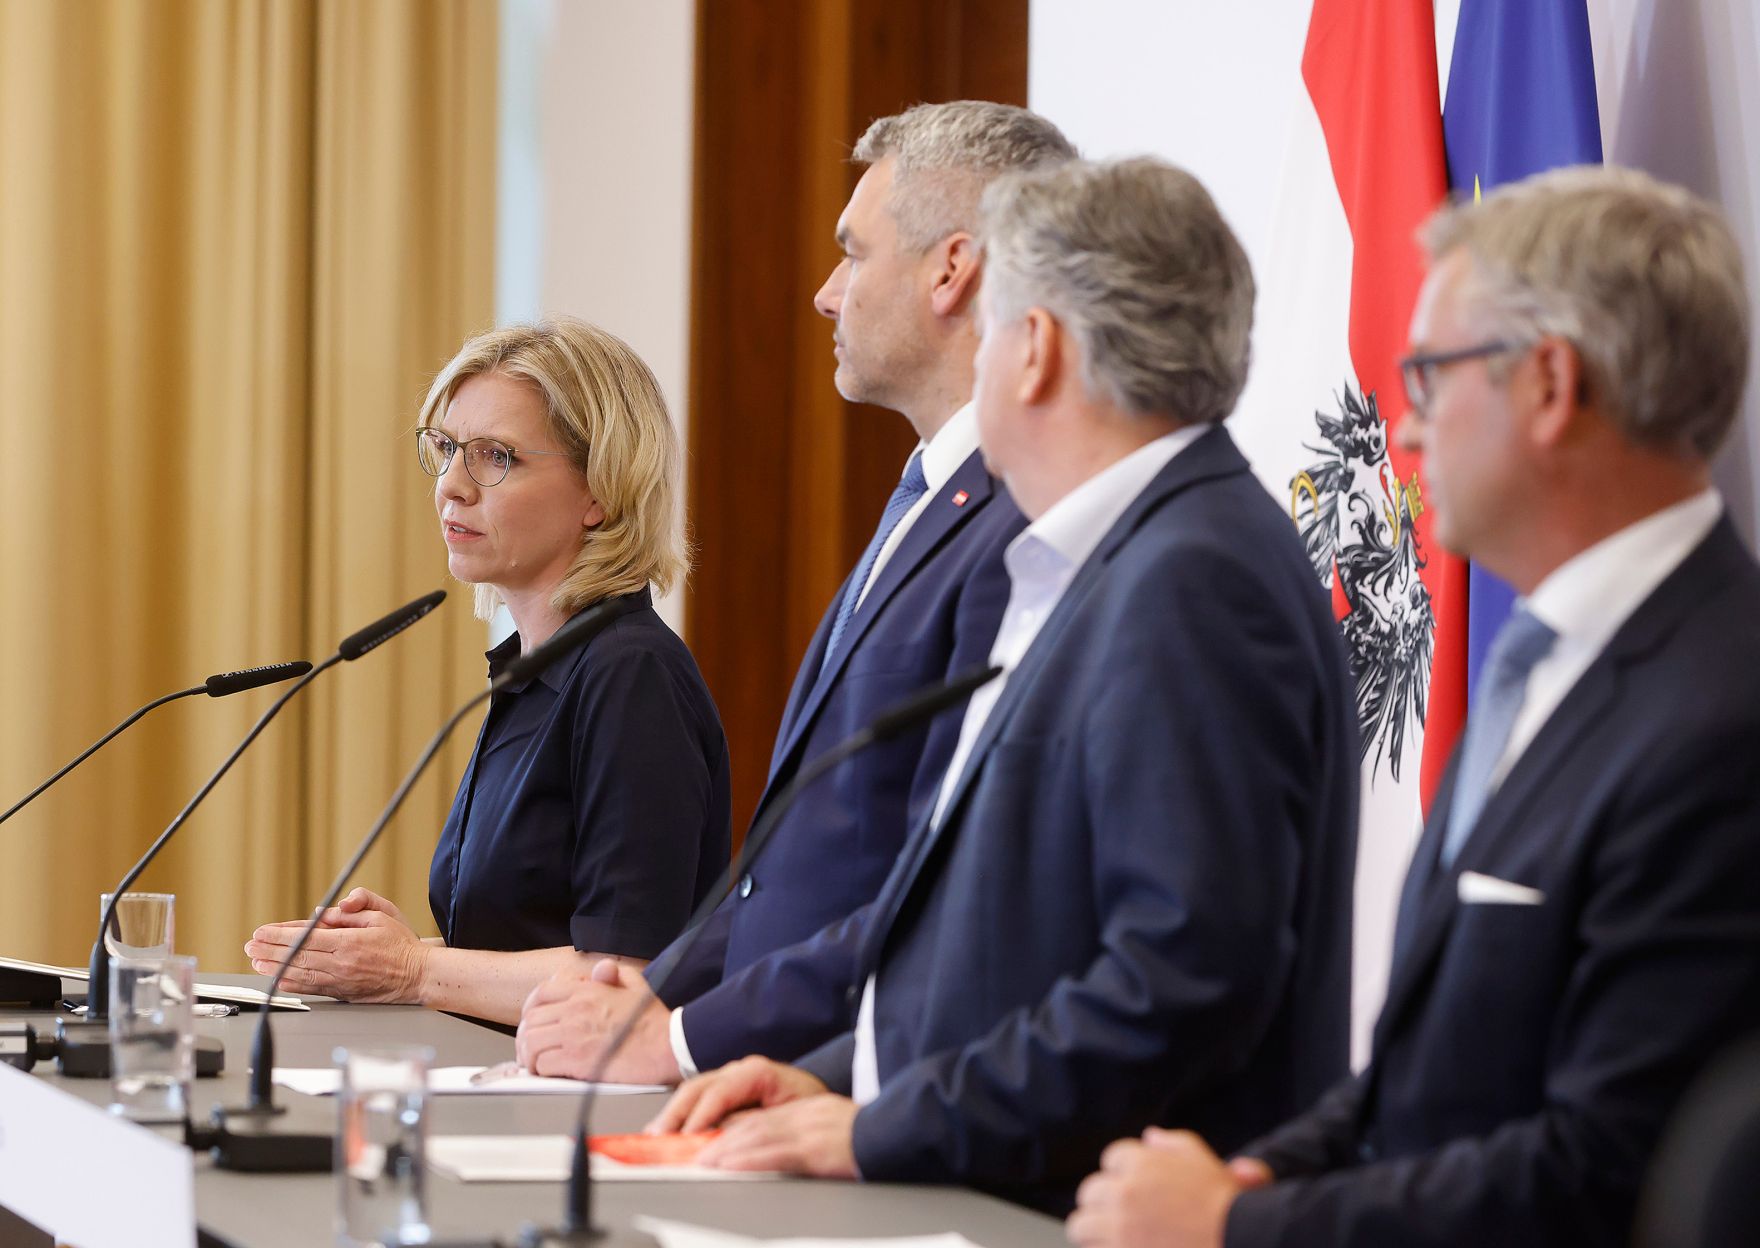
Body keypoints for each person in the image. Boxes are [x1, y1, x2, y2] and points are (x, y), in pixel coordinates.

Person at [642, 156, 1359, 1214]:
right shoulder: (1121, 555)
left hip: (1079, 1212)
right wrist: (842, 1080)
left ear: (1036, 352)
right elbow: (1008, 935)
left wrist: (887, 1124)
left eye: (989, 333)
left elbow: (1177, 983)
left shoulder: (1190, 580)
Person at [1066, 165, 1760, 1248]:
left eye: (1429, 376)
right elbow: (1425, 1072)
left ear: (1548, 384)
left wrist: (1238, 1230)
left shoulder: (1719, 717)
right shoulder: (1543, 659)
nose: (1401, 430)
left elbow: (1609, 1164)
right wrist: (1258, 1176)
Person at [515, 102, 1075, 1082]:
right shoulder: (928, 495)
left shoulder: (1019, 526)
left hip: (862, 1099)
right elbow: (786, 864)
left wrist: (681, 1039)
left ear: (952, 270)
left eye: (852, 255)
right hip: (770, 1079)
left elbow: (934, 885)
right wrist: (655, 991)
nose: (824, 294)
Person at [244, 318, 732, 1026]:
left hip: (585, 1118)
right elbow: (537, 939)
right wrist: (402, 954)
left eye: (495, 456)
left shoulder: (632, 676)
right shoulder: (538, 674)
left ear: (601, 490)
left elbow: (623, 976)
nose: (451, 487)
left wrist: (414, 969)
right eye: (445, 450)